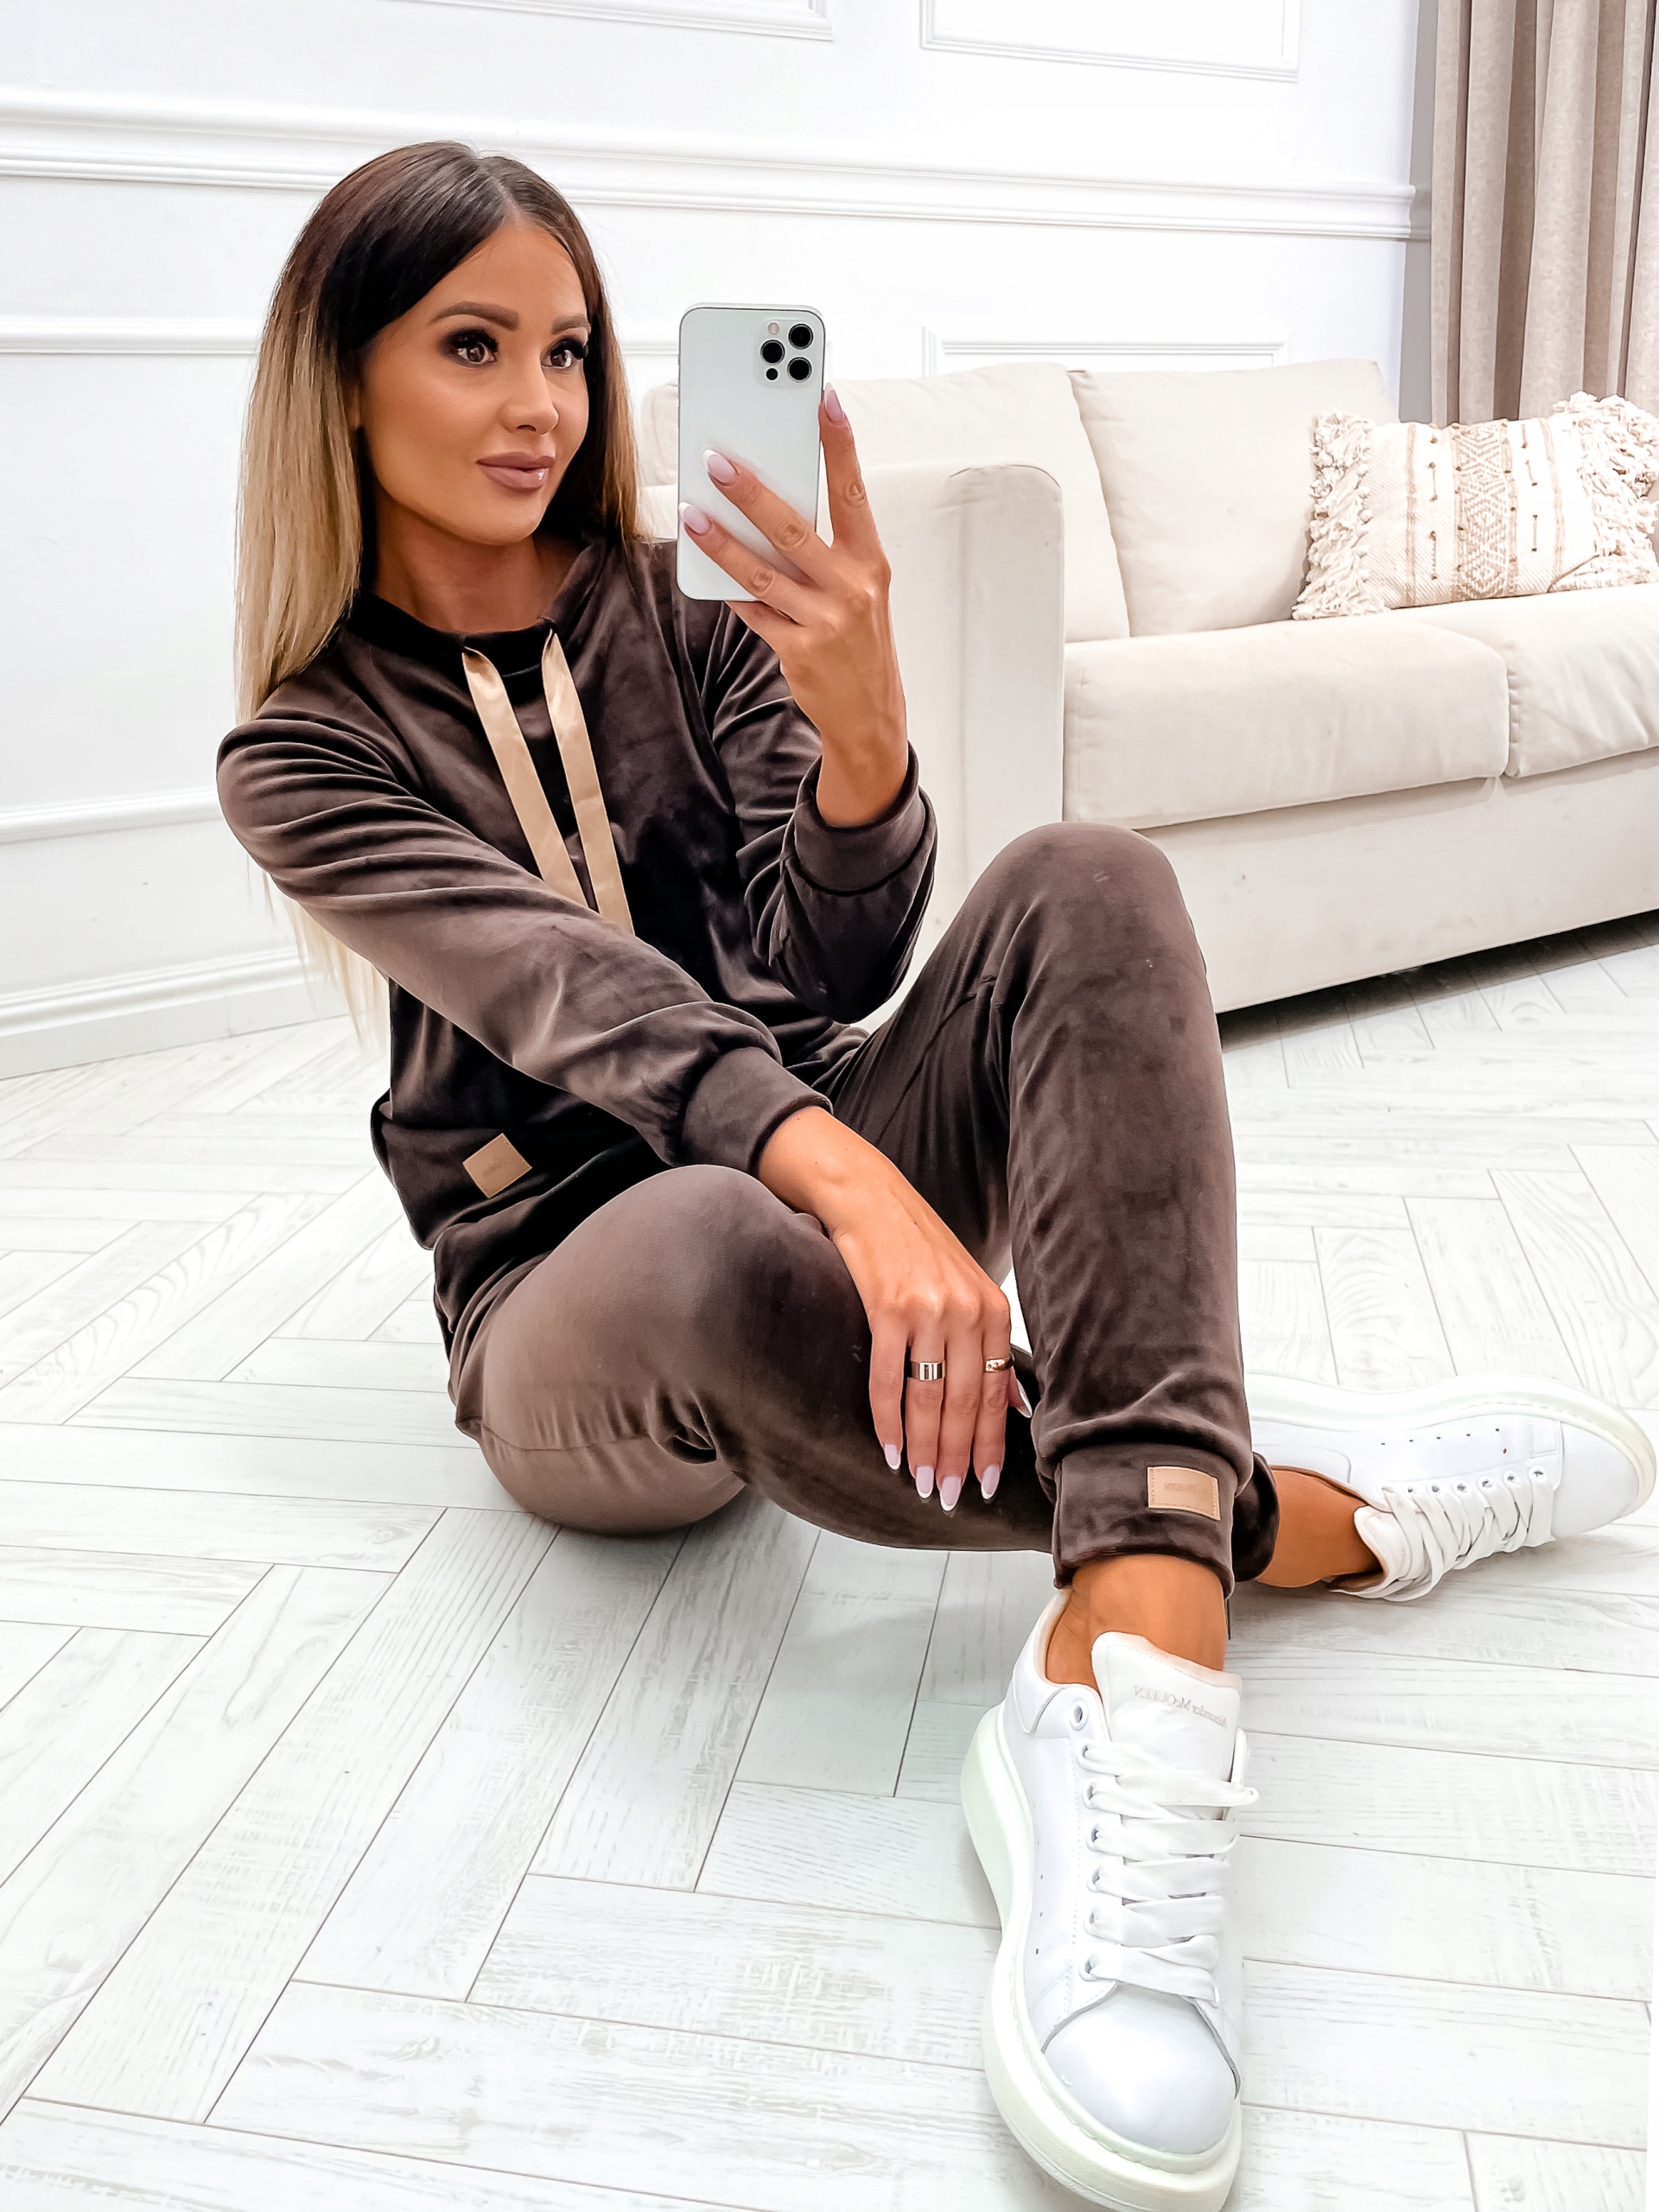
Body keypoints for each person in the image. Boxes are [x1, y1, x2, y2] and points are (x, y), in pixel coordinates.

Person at [219, 140, 1655, 2212]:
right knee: (703, 1223)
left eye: (569, 348)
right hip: (578, 1301)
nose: (540, 402)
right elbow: (567, 997)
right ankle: (1290, 1506)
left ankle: (1129, 1653)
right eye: (471, 347)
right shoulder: (299, 749)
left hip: (814, 1152)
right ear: (341, 385)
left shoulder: (692, 613)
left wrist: (868, 743)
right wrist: (859, 1189)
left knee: (1089, 874)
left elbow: (825, 972)